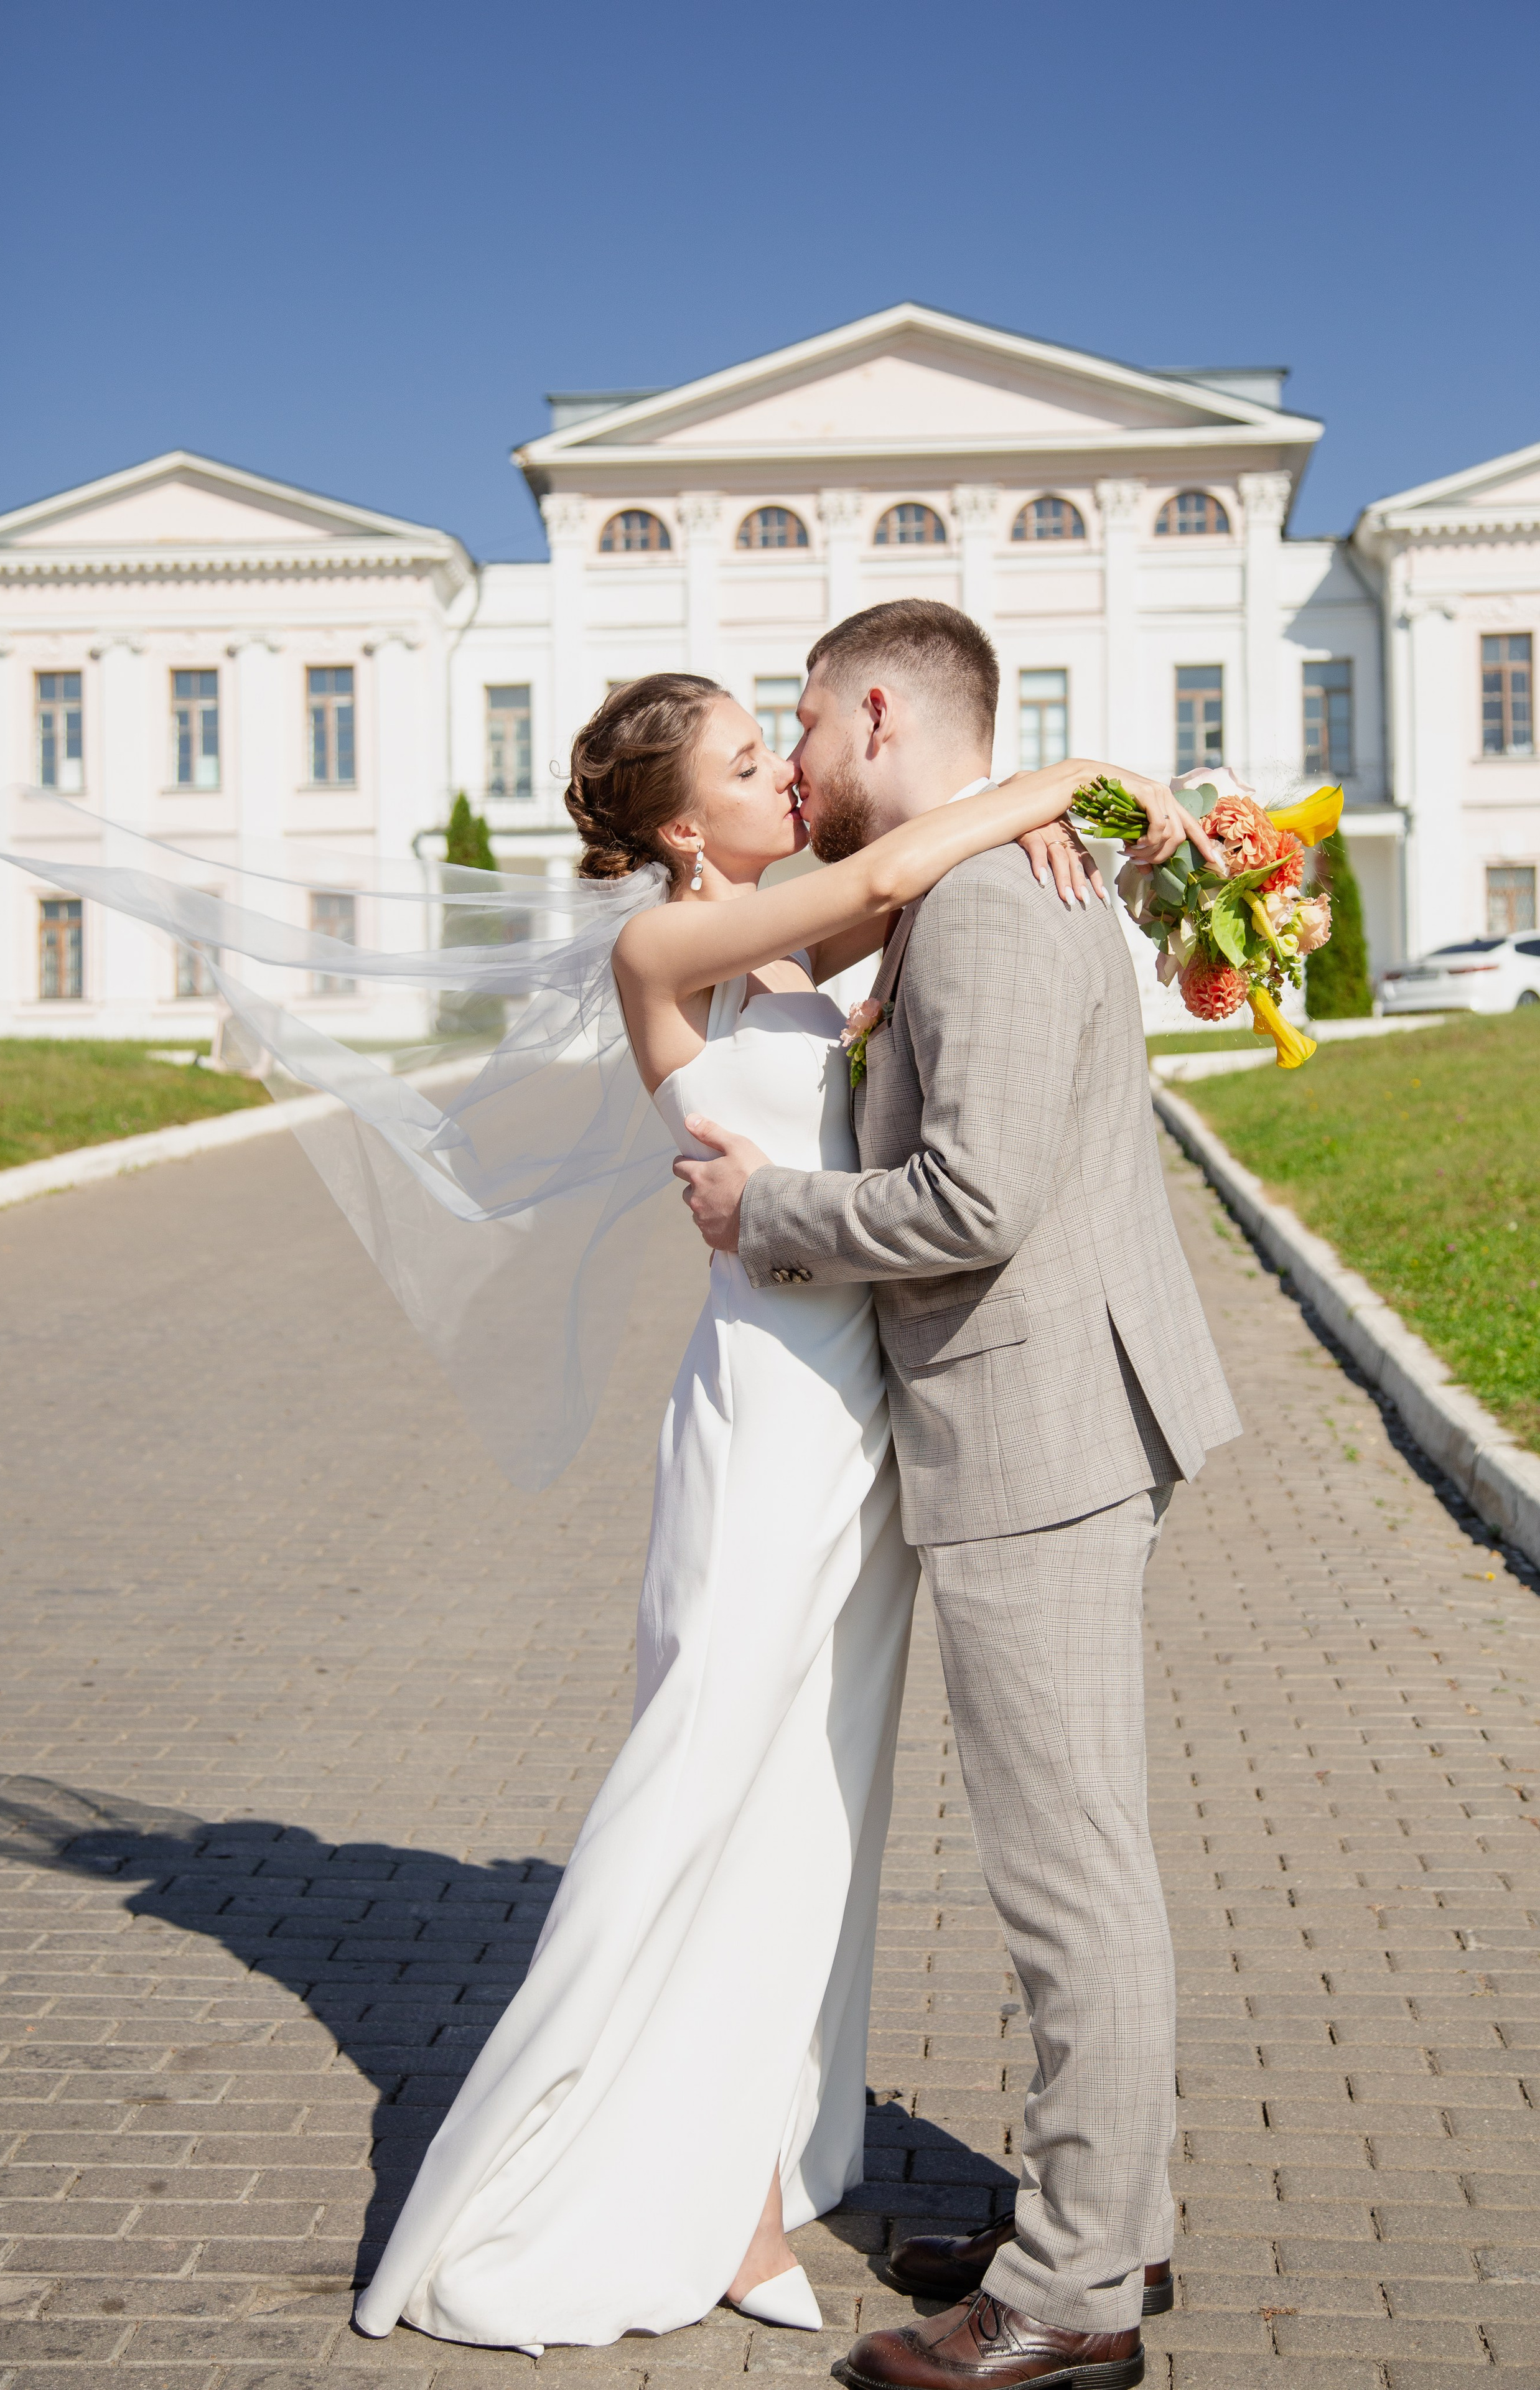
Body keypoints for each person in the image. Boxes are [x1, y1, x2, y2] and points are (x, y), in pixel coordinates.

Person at [352, 662, 1201, 2356]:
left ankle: (758, 2172)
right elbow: (892, 878)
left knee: (814, 1811)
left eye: (788, 739)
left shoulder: (809, 949)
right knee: (704, 1788)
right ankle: (610, 2167)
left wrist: (1057, 851)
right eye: (755, 760)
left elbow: (935, 935)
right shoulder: (667, 949)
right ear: (682, 823)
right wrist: (1078, 779)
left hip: (875, 1438)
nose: (787, 775)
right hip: (763, 1428)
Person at [674, 599, 1242, 2390]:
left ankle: (1072, 2293)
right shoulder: (1003, 872)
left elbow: (969, 1202)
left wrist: (763, 1213)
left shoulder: (995, 896)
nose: (801, 763)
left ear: (875, 710)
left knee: (1069, 1870)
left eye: (804, 728)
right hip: (1062, 1408)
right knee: (1087, 1852)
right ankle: (1107, 2216)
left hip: (1037, 1425)